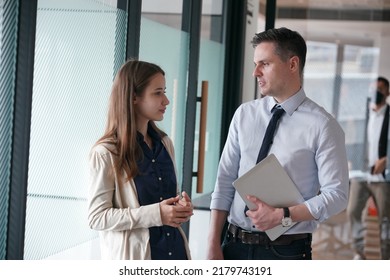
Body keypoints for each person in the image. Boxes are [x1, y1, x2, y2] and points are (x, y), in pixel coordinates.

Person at [207, 27, 350, 260]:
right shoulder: (244, 114)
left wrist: (284, 215)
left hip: (286, 252)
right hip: (232, 246)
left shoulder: (323, 125)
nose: (255, 72)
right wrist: (213, 243)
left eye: (265, 64)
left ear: (292, 64)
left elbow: (337, 195)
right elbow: (224, 181)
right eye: (256, 64)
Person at [88, 59, 193, 260]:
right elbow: (97, 217)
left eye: (165, 92)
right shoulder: (106, 153)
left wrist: (180, 207)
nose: (166, 101)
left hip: (175, 253)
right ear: (134, 97)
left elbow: (164, 201)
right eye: (158, 93)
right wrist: (157, 214)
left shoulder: (164, 143)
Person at [347, 76, 390, 260]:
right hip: (361, 175)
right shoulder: (362, 115)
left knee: (386, 221)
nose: (376, 92)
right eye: (373, 89)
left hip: (383, 179)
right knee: (353, 212)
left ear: (387, 92)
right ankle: (359, 252)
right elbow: (354, 140)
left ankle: (386, 257)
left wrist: (387, 159)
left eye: (380, 89)